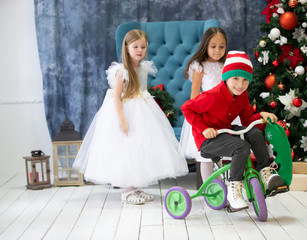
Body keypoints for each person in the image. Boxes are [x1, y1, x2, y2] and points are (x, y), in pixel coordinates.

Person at [73, 29, 188, 205]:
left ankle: (136, 187)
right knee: (127, 149)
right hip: (126, 111)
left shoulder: (143, 67)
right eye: (135, 46)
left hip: (143, 109)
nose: (139, 50)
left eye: (143, 46)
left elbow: (143, 90)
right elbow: (116, 98)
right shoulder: (122, 71)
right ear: (127, 48)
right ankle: (127, 191)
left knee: (141, 148)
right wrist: (122, 119)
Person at [181, 51, 283, 211]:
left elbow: (248, 119)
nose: (240, 85)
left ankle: (265, 172)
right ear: (226, 77)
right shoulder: (212, 95)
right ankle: (234, 189)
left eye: (245, 80)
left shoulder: (241, 95)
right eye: (235, 78)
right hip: (208, 139)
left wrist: (260, 116)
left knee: (255, 133)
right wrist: (204, 129)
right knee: (241, 146)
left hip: (225, 131)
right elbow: (187, 108)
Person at [180, 27, 237, 183]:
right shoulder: (200, 66)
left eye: (221, 46)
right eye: (213, 46)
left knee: (220, 152)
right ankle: (209, 190)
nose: (217, 50)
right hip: (206, 115)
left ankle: (221, 188)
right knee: (206, 156)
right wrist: (200, 120)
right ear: (206, 45)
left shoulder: (226, 65)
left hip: (224, 115)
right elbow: (194, 97)